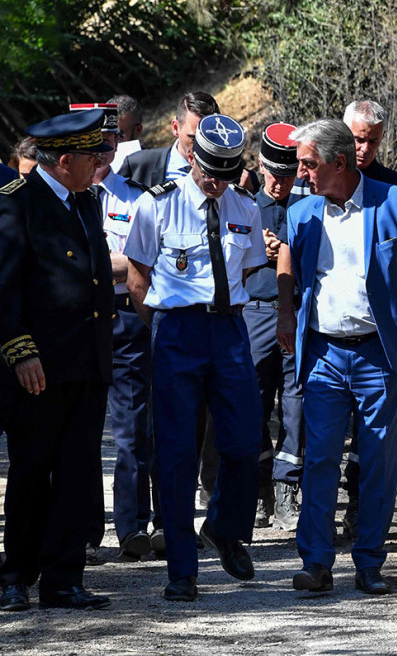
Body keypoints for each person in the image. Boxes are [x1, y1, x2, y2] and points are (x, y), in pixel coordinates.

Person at [276, 118, 397, 595]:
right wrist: (286, 313)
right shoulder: (302, 213)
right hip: (324, 352)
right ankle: (317, 562)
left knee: (379, 461)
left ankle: (369, 561)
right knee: (319, 458)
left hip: (378, 355)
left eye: (308, 165)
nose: (301, 174)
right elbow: (289, 261)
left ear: (338, 163)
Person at [124, 114, 266, 602]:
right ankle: (182, 569)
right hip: (177, 331)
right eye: (210, 172)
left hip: (228, 329)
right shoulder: (156, 205)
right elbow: (138, 278)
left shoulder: (246, 206)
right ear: (191, 158)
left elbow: (247, 269)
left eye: (227, 173)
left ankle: (226, 527)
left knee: (246, 441)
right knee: (178, 451)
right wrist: (162, 329)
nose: (217, 182)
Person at [0, 109, 114, 610]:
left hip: (87, 363)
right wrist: (20, 353)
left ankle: (64, 578)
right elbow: (4, 290)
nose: (100, 163)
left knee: (77, 471)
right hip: (39, 369)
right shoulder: (16, 205)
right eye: (92, 156)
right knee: (31, 470)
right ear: (65, 160)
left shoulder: (86, 202)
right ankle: (15, 576)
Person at [337, 99, 397, 539]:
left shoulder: (396, 191)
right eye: (358, 139)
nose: (364, 149)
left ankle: (362, 512)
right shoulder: (321, 181)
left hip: (380, 336)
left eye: (373, 141)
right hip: (331, 331)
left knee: (372, 436)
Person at [69, 103, 152, 563]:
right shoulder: (59, 200)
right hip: (73, 324)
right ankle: (80, 531)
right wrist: (109, 266)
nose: (101, 154)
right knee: (77, 430)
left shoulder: (138, 199)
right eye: (92, 147)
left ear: (118, 144)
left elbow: (141, 265)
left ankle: (132, 527)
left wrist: (87, 265)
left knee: (131, 430)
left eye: (107, 145)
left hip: (124, 321)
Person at [245, 123, 305, 531]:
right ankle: (260, 488)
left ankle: (287, 490)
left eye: (287, 176)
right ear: (260, 166)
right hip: (256, 311)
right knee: (254, 406)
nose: (279, 183)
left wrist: (286, 249)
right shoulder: (244, 206)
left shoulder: (308, 205)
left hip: (299, 313)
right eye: (272, 175)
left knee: (297, 406)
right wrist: (257, 248)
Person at [119, 91, 219, 189]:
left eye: (209, 139)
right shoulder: (138, 166)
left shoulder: (228, 175)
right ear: (175, 128)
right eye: (194, 139)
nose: (202, 146)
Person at [108, 94, 144, 172]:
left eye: (119, 135)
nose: (111, 141)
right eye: (105, 135)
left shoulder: (152, 165)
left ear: (138, 130)